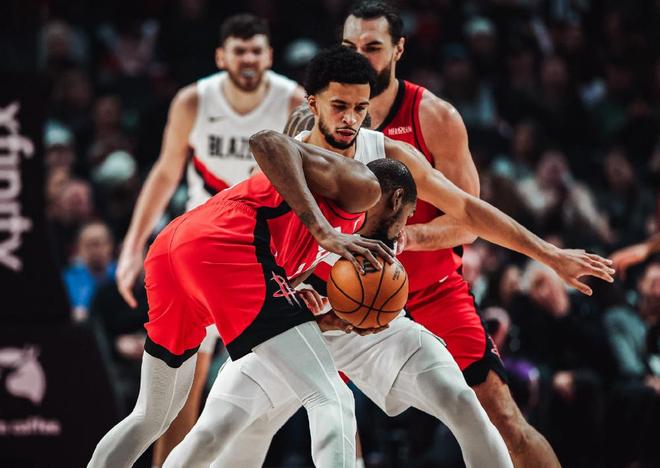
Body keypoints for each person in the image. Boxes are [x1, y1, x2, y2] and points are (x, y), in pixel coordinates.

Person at [162, 46, 613, 468]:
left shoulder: (389, 157)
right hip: (297, 326)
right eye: (339, 106)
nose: (350, 119)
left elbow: (468, 209)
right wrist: (287, 296)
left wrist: (549, 253)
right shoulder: (286, 160)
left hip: (374, 323)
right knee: (219, 436)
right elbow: (251, 253)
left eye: (360, 108)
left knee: (462, 402)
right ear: (314, 104)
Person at [295, 3, 572, 465]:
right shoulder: (315, 120)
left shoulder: (434, 117)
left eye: (372, 47)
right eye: (350, 46)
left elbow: (468, 218)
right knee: (335, 423)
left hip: (431, 289)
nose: (360, 56)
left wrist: (409, 237)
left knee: (503, 418)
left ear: (399, 50)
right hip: (342, 290)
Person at [88, 76, 399, 466]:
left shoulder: (305, 208)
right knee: (330, 397)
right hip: (226, 248)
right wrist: (324, 232)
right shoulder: (355, 186)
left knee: (151, 415)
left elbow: (274, 282)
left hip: (174, 248)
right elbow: (267, 140)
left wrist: (305, 300)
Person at [112, 13, 306, 464]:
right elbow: (165, 174)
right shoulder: (193, 101)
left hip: (264, 252)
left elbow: (304, 184)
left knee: (295, 384)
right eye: (239, 51)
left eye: (256, 50)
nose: (248, 59)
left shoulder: (292, 101)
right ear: (221, 56)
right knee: (182, 390)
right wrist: (131, 247)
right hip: (201, 250)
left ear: (269, 56)